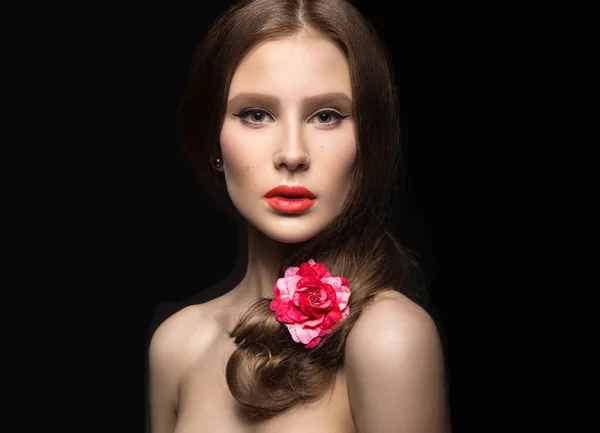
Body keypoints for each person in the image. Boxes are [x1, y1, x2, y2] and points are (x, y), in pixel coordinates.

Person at [148, 0, 451, 432]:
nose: (292, 154)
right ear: (214, 140)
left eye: (326, 116)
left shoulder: (389, 339)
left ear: (366, 140)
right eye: (256, 114)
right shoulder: (176, 346)